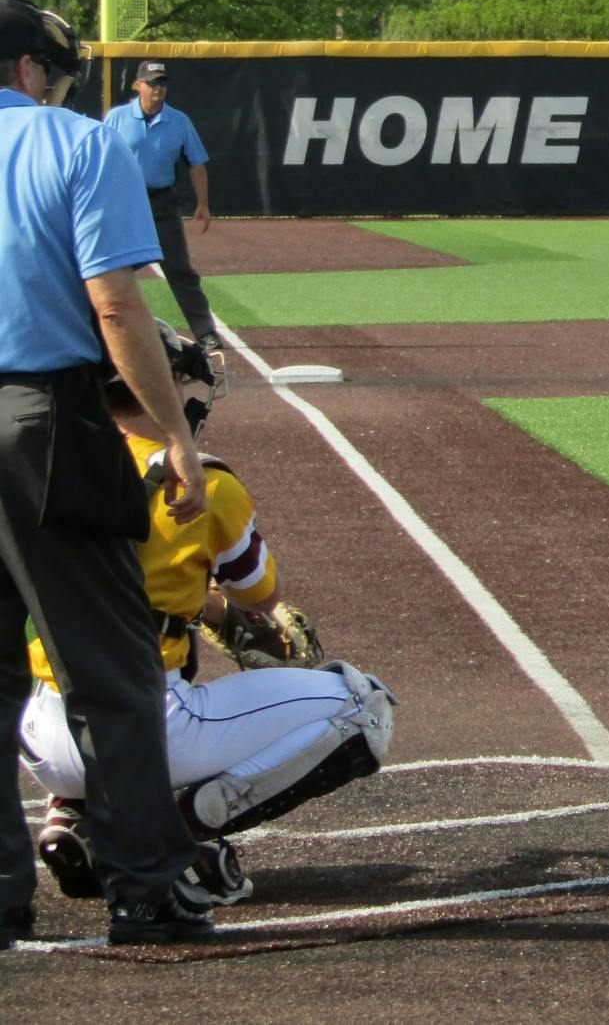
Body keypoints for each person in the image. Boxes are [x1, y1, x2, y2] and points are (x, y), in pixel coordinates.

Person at [17, 322, 395, 906]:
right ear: (157, 380)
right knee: (363, 704)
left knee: (78, 648)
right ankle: (180, 838)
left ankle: (73, 815)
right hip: (145, 727)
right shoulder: (204, 481)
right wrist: (211, 610)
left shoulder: (39, 460)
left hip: (36, 726)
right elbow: (259, 598)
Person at [0, 0, 220, 947]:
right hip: (41, 420)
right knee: (110, 668)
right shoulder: (73, 144)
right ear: (24, 69)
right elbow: (118, 309)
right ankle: (147, 883)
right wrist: (175, 434)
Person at [104, 60, 222, 357]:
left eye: (162, 83)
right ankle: (100, 329)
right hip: (125, 201)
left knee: (179, 268)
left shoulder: (178, 121)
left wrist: (203, 204)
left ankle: (205, 332)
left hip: (161, 202)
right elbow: (101, 160)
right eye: (153, 83)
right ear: (138, 85)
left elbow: (197, 163)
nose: (158, 89)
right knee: (110, 268)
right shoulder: (117, 118)